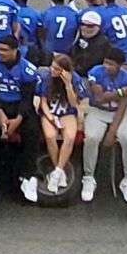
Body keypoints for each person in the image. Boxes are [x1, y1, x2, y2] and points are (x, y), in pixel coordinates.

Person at [0, 36, 42, 205]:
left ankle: (28, 176)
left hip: (19, 107)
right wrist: (1, 115)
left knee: (32, 131)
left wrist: (17, 120)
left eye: (4, 50)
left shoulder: (27, 69)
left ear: (15, 50)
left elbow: (27, 99)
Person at [82, 46, 127, 204]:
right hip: (97, 110)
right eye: (106, 62)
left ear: (119, 66)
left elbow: (123, 105)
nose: (107, 66)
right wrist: (120, 92)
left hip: (120, 112)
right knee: (92, 138)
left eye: (111, 64)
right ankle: (88, 177)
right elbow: (99, 97)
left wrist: (113, 130)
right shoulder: (96, 72)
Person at [37, 54, 84, 193]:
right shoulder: (45, 77)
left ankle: (57, 172)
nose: (52, 70)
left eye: (57, 69)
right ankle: (60, 171)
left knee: (69, 137)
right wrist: (51, 118)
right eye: (52, 67)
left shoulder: (75, 79)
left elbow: (74, 104)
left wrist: (68, 85)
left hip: (67, 111)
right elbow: (43, 101)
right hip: (50, 111)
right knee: (50, 136)